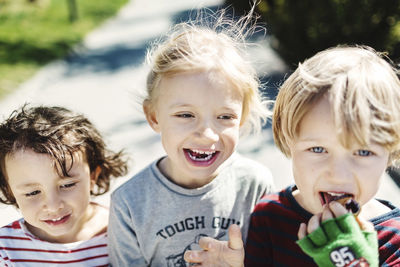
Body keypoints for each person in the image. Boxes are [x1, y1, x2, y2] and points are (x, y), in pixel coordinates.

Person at [184, 45, 400, 266]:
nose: (337, 174)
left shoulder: (395, 241)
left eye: (363, 152)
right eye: (318, 149)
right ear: (289, 142)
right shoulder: (269, 217)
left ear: (391, 151)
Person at [107, 6, 275, 267]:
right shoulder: (129, 204)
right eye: (185, 115)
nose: (207, 135)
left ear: (241, 120)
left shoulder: (255, 186)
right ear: (154, 117)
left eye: (225, 117)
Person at [0, 105, 128, 266]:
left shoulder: (123, 229)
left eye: (67, 185)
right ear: (9, 190)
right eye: (32, 193)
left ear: (93, 176)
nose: (53, 206)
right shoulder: (6, 250)